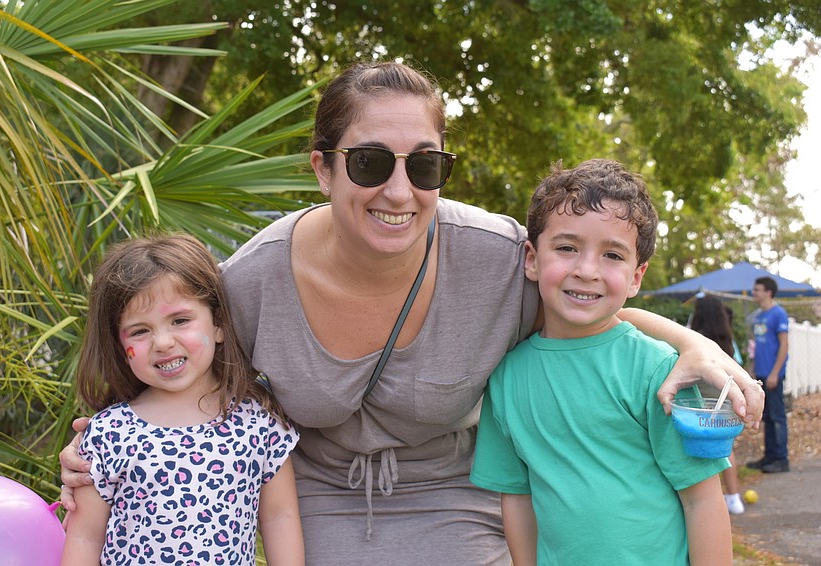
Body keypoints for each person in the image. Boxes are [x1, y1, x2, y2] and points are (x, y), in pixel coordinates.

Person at [60, 61, 763, 565]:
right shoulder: (251, 283)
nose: (399, 191)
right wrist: (101, 453)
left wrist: (695, 348)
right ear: (322, 168)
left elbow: (584, 300)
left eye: (424, 165)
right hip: (316, 507)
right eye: (369, 162)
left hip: (462, 499)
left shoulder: (491, 256)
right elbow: (189, 378)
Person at [470, 159, 732, 565]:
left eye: (612, 255)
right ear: (532, 258)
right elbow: (517, 498)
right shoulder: (504, 377)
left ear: (636, 277)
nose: (586, 270)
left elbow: (702, 499)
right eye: (567, 248)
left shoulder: (660, 370)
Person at [59, 235, 303, 565]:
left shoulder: (260, 424)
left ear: (217, 323)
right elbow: (84, 536)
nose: (162, 342)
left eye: (180, 321)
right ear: (120, 346)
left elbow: (279, 519)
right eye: (140, 331)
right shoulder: (108, 433)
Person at [690, 295, 746, 514]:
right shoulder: (728, 343)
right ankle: (734, 498)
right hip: (724, 408)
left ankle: (706, 500)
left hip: (698, 408)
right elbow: (738, 369)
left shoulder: (692, 341)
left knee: (699, 454)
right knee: (726, 450)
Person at [747, 276, 790, 473]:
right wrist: (754, 369)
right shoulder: (759, 316)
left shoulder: (778, 314)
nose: (754, 293)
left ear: (768, 292)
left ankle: (781, 459)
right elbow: (757, 347)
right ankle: (770, 457)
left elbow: (784, 345)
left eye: (757, 290)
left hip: (773, 375)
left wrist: (775, 372)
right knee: (767, 417)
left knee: (777, 416)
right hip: (761, 373)